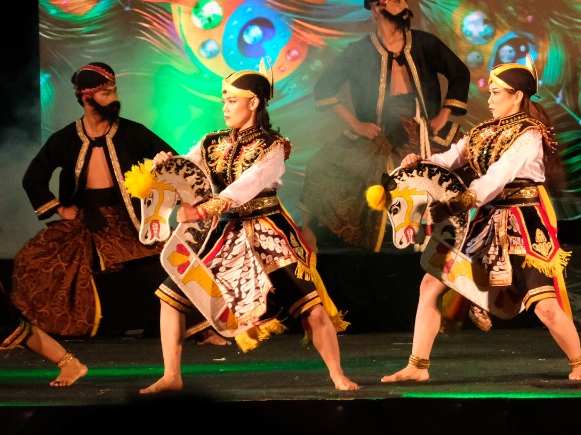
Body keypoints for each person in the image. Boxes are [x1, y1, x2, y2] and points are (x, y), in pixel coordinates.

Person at [142, 70, 356, 393]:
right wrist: (165, 165)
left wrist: (201, 211)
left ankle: (337, 375)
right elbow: (188, 170)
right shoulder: (212, 142)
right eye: (224, 101)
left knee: (311, 307)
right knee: (170, 294)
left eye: (232, 101)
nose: (225, 107)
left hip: (269, 233)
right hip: (228, 233)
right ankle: (172, 376)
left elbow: (247, 185)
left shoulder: (273, 147)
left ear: (253, 102)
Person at [382, 62, 581, 383]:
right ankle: (417, 366)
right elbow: (449, 160)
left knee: (544, 306)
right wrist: (420, 163)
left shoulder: (529, 134)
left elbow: (498, 176)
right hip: (484, 216)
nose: (489, 100)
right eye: (489, 93)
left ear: (517, 96)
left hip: (522, 222)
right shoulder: (481, 132)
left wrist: (462, 201)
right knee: (430, 284)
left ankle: (579, 364)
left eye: (496, 93)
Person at [7, 63, 176, 386]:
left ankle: (202, 329)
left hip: (129, 220)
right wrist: (61, 209)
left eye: (114, 91)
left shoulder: (132, 131)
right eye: (106, 92)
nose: (114, 97)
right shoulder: (65, 138)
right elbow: (34, 177)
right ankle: (39, 336)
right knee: (32, 260)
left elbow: (174, 161)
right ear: (86, 98)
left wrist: (161, 169)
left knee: (168, 269)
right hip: (86, 220)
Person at [303, 0, 472, 248]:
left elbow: (460, 73)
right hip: (379, 132)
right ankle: (310, 235)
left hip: (423, 129)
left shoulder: (424, 43)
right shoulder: (359, 52)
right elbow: (324, 88)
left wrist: (442, 116)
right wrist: (356, 124)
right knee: (321, 165)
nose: (405, 5)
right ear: (377, 9)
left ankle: (454, 241)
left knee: (471, 162)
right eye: (397, 0)